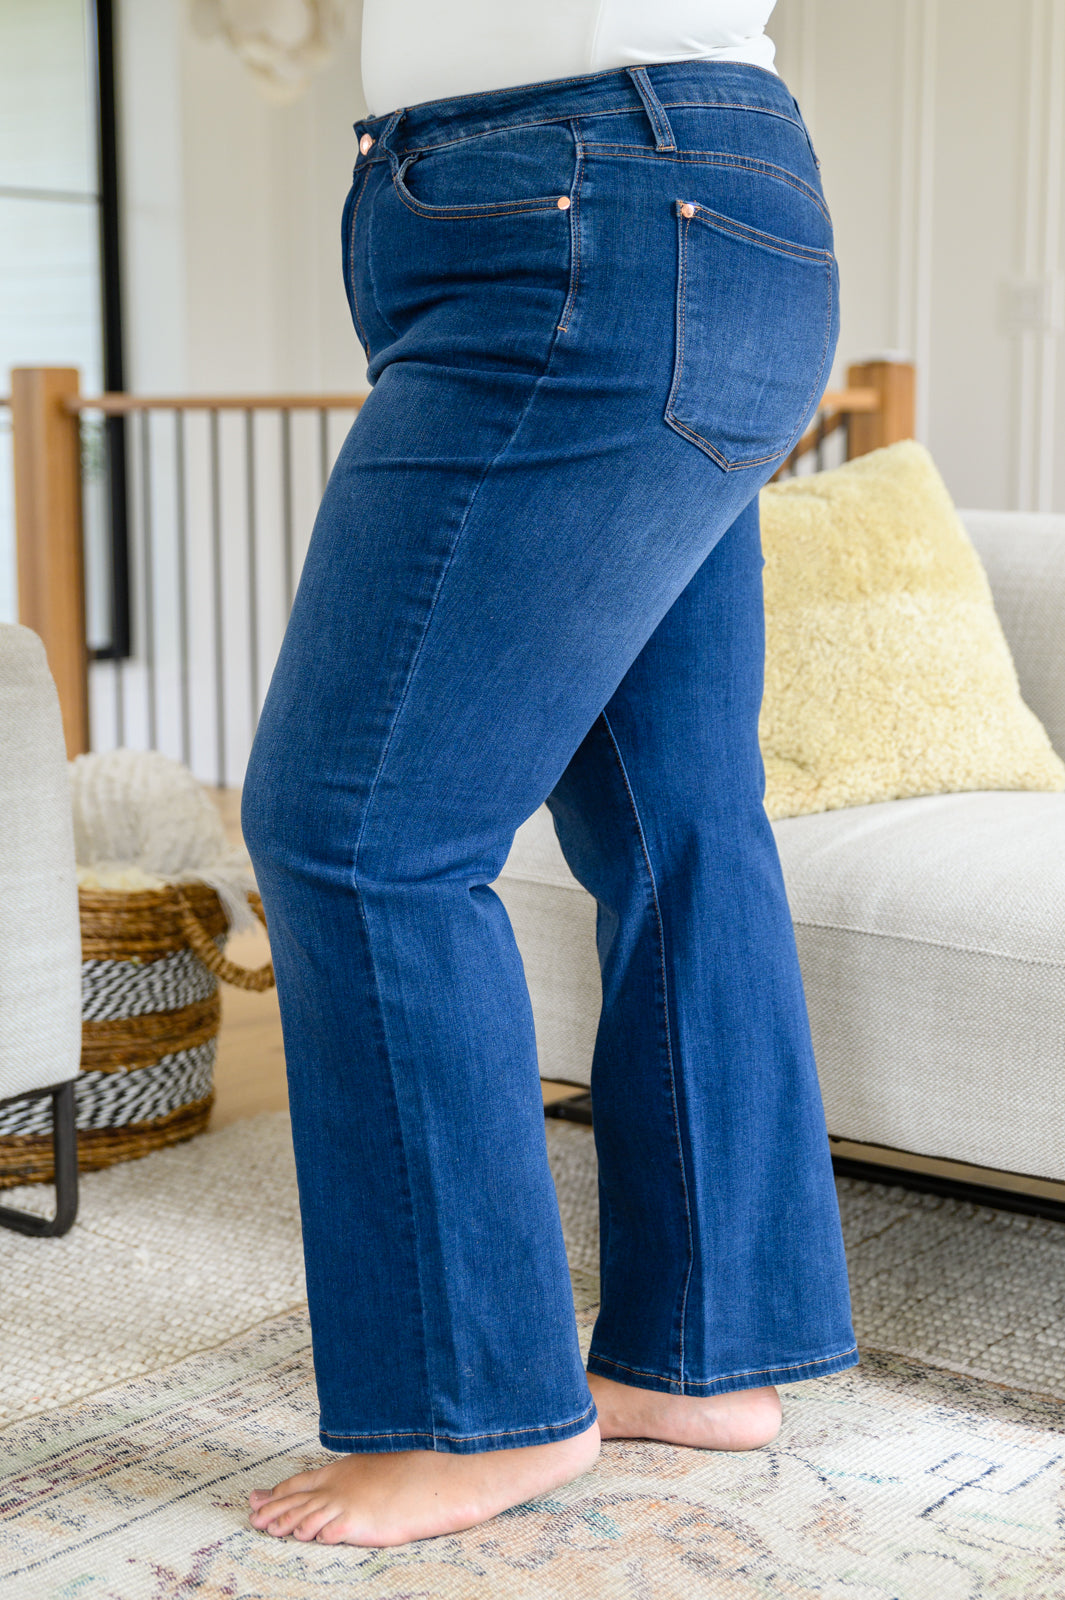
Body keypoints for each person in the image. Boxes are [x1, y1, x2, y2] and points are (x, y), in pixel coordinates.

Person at [241, 0, 857, 1549]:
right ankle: (700, 1356)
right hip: (664, 207)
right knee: (676, 818)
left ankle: (470, 1408)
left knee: (355, 833)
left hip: (580, 211)